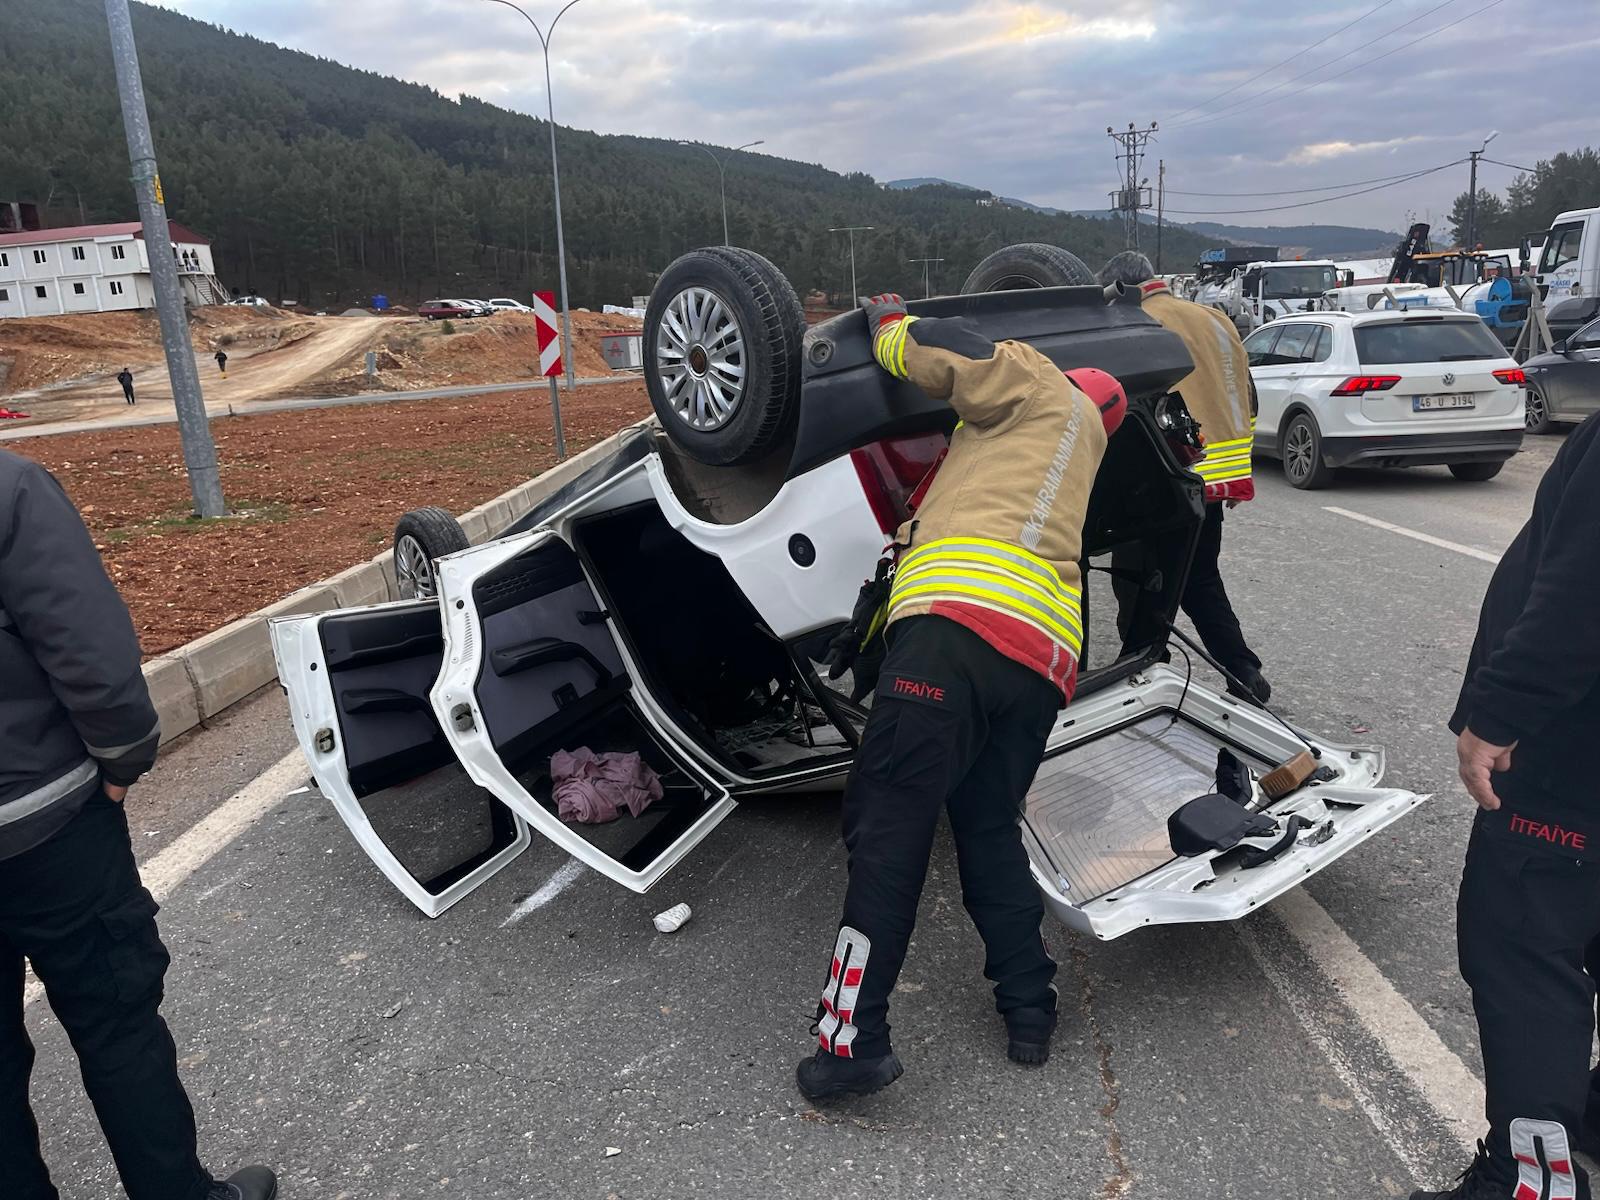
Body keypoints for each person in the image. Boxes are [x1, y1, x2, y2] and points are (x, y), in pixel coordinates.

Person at [796, 293, 1127, 1102]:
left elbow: (960, 355)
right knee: (986, 830)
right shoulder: (1073, 458)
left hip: (956, 633)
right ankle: (1030, 1008)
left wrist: (888, 327)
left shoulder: (1042, 387)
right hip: (1041, 663)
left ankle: (851, 1044)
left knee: (889, 830)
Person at [0, 448, 276, 1200]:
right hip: (43, 824)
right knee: (116, 1021)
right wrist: (122, 761)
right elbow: (89, 650)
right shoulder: (11, 488)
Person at [1410, 412, 1600, 1200]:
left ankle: (1531, 1181)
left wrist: (1499, 713)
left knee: (1524, 951)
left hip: (1570, 767)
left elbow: (1581, 597)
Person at [1097, 251, 1269, 704]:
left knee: (1138, 579)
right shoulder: (1212, 318)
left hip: (1162, 478)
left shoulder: (1135, 324)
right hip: (1214, 478)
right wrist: (1235, 472)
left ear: (1120, 290)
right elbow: (1244, 394)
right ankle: (1243, 670)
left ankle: (1140, 669)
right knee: (1197, 576)